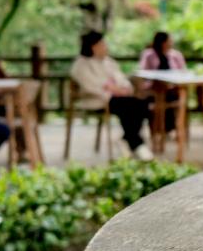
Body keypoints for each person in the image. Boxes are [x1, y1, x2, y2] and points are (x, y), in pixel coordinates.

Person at [70, 31, 153, 161]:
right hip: (97, 100)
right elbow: (90, 86)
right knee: (131, 105)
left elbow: (122, 79)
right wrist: (111, 89)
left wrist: (124, 89)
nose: (105, 47)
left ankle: (128, 139)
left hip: (118, 98)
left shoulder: (108, 62)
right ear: (94, 46)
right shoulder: (81, 64)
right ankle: (135, 143)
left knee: (141, 103)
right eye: (102, 44)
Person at [137, 31, 186, 133]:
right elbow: (142, 71)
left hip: (172, 88)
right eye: (169, 41)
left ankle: (170, 128)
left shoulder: (176, 55)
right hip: (153, 89)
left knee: (173, 97)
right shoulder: (149, 54)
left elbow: (183, 71)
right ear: (162, 42)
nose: (171, 43)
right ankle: (156, 128)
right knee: (150, 100)